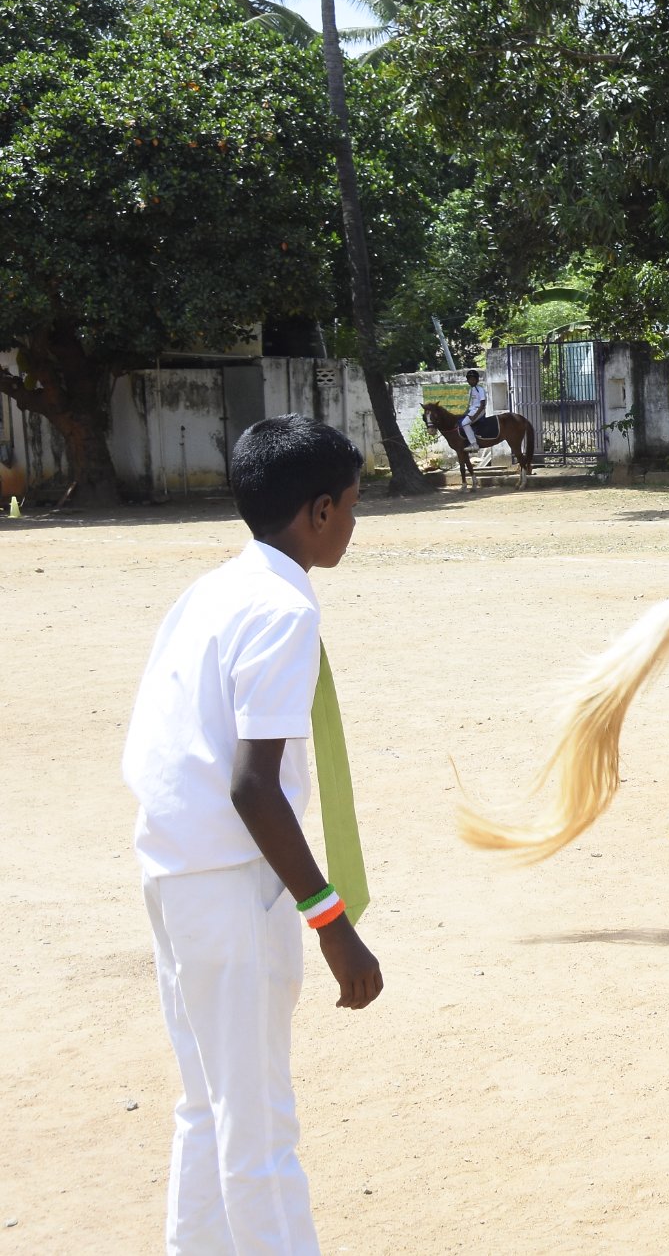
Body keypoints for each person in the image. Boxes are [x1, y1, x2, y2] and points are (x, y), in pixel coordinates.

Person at [123, 414, 384, 1252]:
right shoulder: (280, 610)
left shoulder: (215, 589)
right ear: (316, 512)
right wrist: (333, 923)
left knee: (208, 1107)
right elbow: (253, 787)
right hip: (235, 888)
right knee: (260, 1128)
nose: (353, 521)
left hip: (176, 874)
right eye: (350, 504)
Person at [460, 369, 487, 448]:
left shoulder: (480, 389)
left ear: (477, 380)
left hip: (479, 410)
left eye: (473, 379)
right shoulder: (471, 390)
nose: (471, 381)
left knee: (464, 423)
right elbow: (470, 405)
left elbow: (482, 405)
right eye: (469, 379)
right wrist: (465, 413)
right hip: (472, 410)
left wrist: (475, 416)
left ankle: (474, 444)